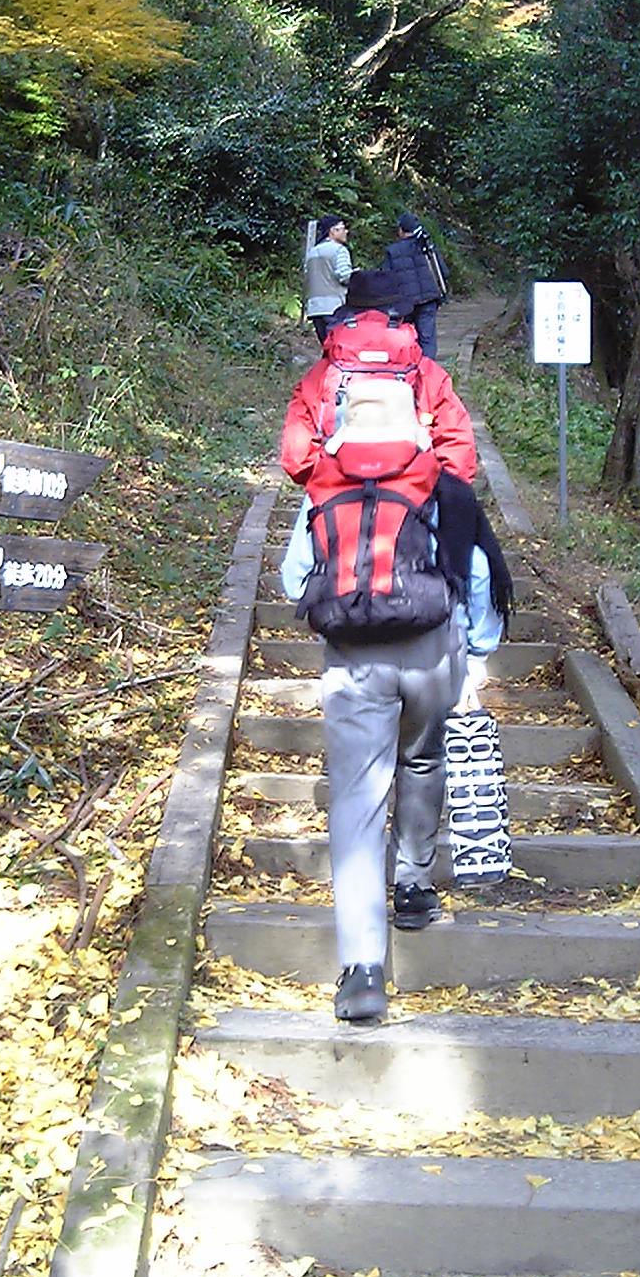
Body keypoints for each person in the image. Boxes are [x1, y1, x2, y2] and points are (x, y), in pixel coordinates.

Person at [278, 271, 498, 1024]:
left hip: (353, 648)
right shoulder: (430, 385)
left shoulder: (321, 392)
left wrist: (336, 516)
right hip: (433, 641)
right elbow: (464, 482)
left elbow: (291, 560)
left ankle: (362, 970)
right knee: (426, 757)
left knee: (354, 800)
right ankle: (413, 880)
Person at [280, 268, 476, 489]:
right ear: (400, 315)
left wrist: (328, 480)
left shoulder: (321, 375)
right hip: (412, 497)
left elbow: (297, 457)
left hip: (335, 497)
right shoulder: (428, 374)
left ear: (347, 313)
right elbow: (458, 448)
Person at [381, 212, 448, 360]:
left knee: (406, 335)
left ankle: (408, 366)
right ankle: (428, 370)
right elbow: (443, 271)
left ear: (401, 230)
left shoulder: (392, 251)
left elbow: (386, 278)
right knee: (427, 337)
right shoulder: (427, 246)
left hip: (405, 301)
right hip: (429, 298)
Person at [303, 214, 353, 345]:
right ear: (333, 231)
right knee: (338, 348)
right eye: (342, 228)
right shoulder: (339, 250)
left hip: (315, 308)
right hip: (335, 308)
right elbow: (345, 276)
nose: (345, 231)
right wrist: (358, 276)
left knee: (326, 347)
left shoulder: (312, 252)